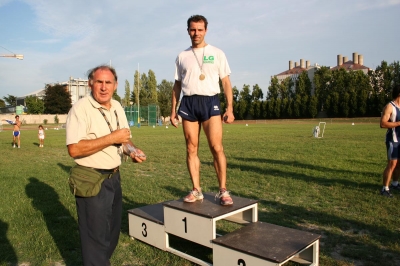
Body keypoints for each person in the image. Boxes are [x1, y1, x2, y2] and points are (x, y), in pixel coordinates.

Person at [66, 65, 146, 265]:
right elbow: (74, 149)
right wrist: (112, 138)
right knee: (95, 240)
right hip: (91, 179)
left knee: (111, 234)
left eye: (108, 82)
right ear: (90, 84)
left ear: (115, 85)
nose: (103, 87)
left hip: (114, 177)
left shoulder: (117, 106)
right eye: (99, 82)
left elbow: (124, 139)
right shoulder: (81, 108)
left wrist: (133, 151)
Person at [170, 15, 235, 206]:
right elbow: (176, 86)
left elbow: (226, 82)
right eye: (192, 29)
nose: (196, 33)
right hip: (189, 103)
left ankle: (223, 190)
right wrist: (173, 110)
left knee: (216, 147)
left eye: (199, 29)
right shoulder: (182, 56)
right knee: (191, 148)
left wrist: (230, 108)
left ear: (206, 30)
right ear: (188, 31)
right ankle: (196, 190)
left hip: (210, 102)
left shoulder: (217, 53)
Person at [380, 84, 400, 197]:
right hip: (393, 140)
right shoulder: (390, 106)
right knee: (392, 164)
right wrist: (398, 123)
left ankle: (395, 183)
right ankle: (385, 189)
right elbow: (383, 124)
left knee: (399, 164)